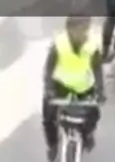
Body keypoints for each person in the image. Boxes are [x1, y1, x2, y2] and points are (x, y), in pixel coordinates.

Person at [42, 15, 104, 161]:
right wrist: (49, 89)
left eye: (85, 29)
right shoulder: (59, 45)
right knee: (49, 118)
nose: (82, 33)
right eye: (79, 29)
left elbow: (97, 70)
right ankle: (52, 145)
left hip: (84, 88)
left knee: (94, 115)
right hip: (60, 87)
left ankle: (87, 135)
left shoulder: (92, 46)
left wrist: (100, 90)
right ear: (69, 29)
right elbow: (49, 68)